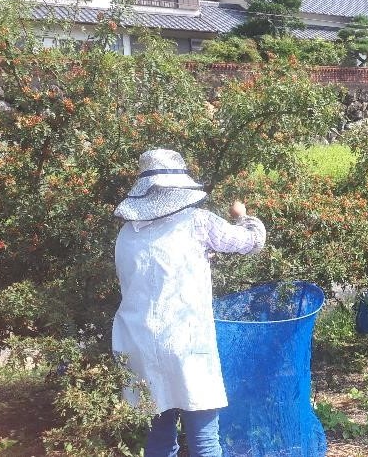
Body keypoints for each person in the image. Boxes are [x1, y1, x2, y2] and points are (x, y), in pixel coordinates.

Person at [112, 149, 266, 457]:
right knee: (205, 440)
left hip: (137, 343)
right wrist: (244, 216)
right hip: (185, 343)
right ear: (181, 187)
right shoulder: (198, 222)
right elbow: (252, 242)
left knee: (159, 436)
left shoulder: (126, 234)